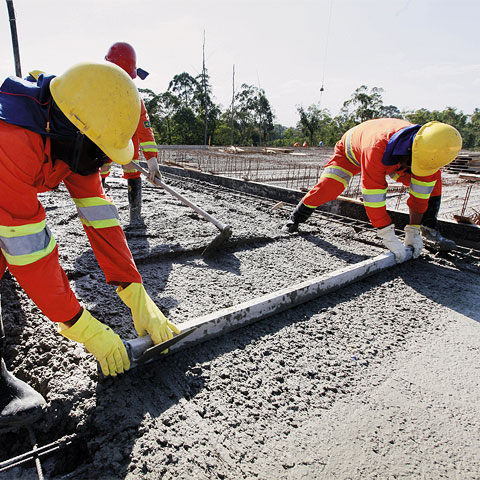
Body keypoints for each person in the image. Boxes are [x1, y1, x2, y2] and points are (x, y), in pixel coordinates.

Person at [0, 62, 180, 427]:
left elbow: (101, 219)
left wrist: (135, 293)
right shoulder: (12, 140)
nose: (100, 166)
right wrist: (81, 325)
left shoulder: (69, 138)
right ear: (75, 132)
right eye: (99, 154)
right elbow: (29, 250)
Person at [281, 118, 462, 261]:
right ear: (410, 152)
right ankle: (295, 218)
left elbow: (421, 195)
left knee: (433, 181)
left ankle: (428, 230)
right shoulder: (376, 148)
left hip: (395, 157)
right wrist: (387, 235)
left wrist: (413, 229)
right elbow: (373, 197)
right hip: (350, 153)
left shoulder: (429, 149)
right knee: (329, 188)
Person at [101, 42, 160, 225]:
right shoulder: (98, 91)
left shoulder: (134, 98)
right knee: (100, 169)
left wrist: (152, 160)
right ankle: (99, 213)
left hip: (127, 139)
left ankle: (135, 215)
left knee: (132, 169)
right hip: (101, 137)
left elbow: (144, 129)